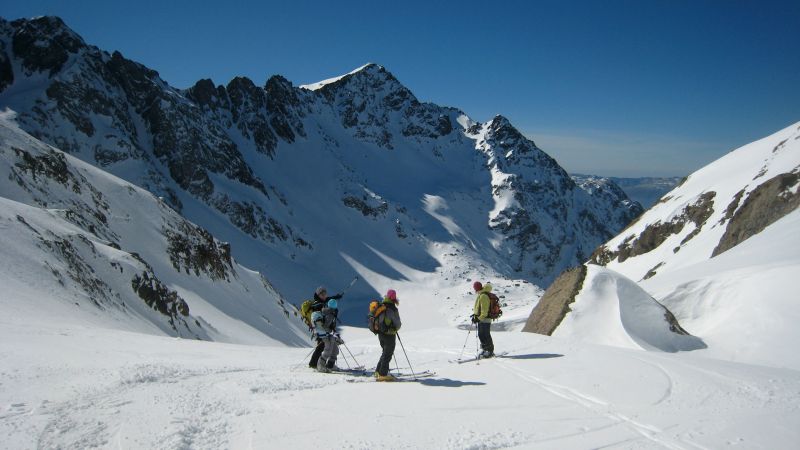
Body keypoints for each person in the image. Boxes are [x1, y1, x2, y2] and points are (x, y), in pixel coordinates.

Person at [308, 286, 342, 369]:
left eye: (325, 294)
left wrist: (335, 297)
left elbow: (328, 300)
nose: (324, 295)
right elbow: (323, 314)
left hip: (322, 329)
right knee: (322, 346)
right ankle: (314, 363)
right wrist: (330, 311)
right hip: (321, 328)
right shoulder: (318, 304)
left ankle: (316, 363)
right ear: (318, 294)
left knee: (324, 346)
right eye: (322, 294)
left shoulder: (321, 301)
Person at [375, 289, 402, 382]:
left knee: (384, 352)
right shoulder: (392, 309)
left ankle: (378, 372)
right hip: (389, 334)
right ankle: (383, 374)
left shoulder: (381, 306)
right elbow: (398, 324)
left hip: (380, 334)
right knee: (388, 354)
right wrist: (395, 329)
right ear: (393, 298)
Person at [471, 281, 495, 358]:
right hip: (482, 319)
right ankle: (485, 350)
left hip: (485, 319)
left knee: (486, 335)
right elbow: (479, 308)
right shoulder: (481, 294)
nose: (474, 289)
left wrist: (478, 318)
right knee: (481, 335)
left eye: (475, 288)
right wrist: (475, 316)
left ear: (477, 288)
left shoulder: (483, 296)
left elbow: (484, 311)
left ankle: (490, 351)